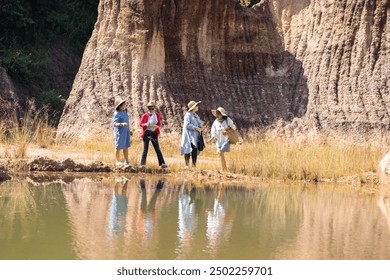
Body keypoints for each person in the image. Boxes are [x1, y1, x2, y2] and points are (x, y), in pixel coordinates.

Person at [139, 101, 167, 168]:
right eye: (150, 108)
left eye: (152, 108)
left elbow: (159, 124)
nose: (151, 109)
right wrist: (145, 124)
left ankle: (162, 163)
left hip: (154, 133)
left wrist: (157, 126)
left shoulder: (157, 115)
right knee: (145, 149)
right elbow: (140, 124)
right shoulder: (145, 115)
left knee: (157, 148)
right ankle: (142, 164)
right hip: (147, 133)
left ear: (154, 107)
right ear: (148, 108)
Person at [180, 100, 202, 169]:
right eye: (196, 106)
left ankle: (194, 166)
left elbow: (199, 124)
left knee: (194, 150)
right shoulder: (188, 115)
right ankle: (186, 165)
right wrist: (195, 128)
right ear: (193, 107)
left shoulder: (197, 116)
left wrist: (199, 128)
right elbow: (187, 125)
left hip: (195, 136)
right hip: (189, 136)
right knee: (188, 150)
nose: (198, 107)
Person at [113, 99, 132, 166]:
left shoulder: (125, 113)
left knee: (126, 146)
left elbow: (127, 122)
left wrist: (129, 130)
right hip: (119, 132)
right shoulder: (116, 114)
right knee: (118, 146)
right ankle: (117, 161)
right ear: (119, 106)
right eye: (123, 105)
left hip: (125, 132)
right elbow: (115, 124)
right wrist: (122, 124)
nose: (124, 106)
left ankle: (127, 161)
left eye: (124, 104)